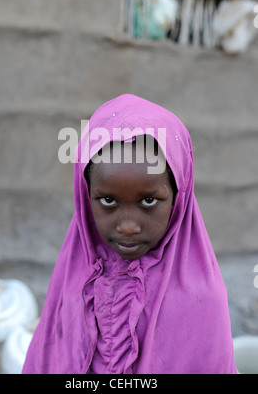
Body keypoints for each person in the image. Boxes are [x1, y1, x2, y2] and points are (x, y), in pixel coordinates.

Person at [22, 93, 236, 374]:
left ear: (178, 196)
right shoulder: (72, 278)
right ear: (86, 196)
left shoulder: (200, 300)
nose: (128, 226)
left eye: (148, 201)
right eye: (108, 201)